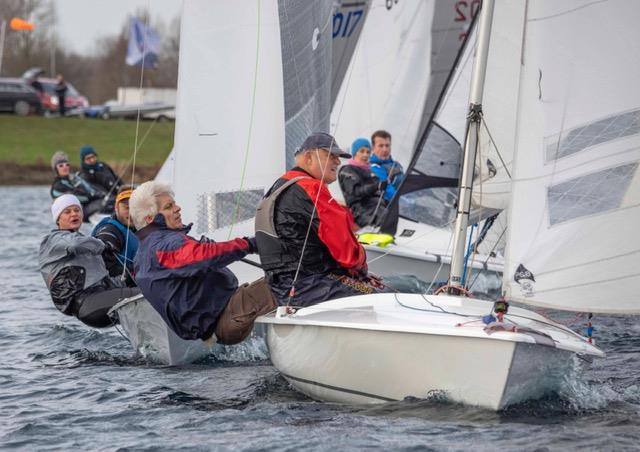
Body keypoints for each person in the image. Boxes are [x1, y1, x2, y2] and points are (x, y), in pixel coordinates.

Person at [130, 181, 276, 344]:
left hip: (216, 326)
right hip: (227, 316)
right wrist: (250, 244)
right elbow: (201, 256)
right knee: (289, 279)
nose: (178, 208)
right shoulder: (163, 246)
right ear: (150, 219)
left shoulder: (143, 254)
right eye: (169, 206)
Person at [255, 132, 387, 307]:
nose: (338, 162)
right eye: (331, 156)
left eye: (338, 157)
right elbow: (348, 252)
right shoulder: (311, 188)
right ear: (309, 157)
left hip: (283, 289)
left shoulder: (279, 186)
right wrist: (362, 272)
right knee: (386, 297)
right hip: (312, 287)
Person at [38, 195, 140, 328]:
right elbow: (74, 244)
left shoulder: (85, 245)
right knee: (150, 296)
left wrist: (127, 278)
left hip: (99, 302)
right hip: (88, 304)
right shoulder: (53, 239)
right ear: (58, 219)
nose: (74, 214)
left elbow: (104, 281)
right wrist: (103, 245)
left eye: (77, 210)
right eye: (67, 212)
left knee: (149, 290)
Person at [92, 185, 138, 287]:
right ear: (116, 208)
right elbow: (101, 270)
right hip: (117, 294)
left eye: (135, 207)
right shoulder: (109, 233)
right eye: (126, 207)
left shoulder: (139, 229)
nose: (131, 213)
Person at [338, 137, 388, 229]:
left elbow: (378, 193)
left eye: (368, 152)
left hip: (378, 210)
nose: (365, 155)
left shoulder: (370, 172)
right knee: (384, 223)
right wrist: (377, 185)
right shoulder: (347, 170)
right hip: (361, 211)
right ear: (355, 153)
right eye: (362, 151)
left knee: (391, 220)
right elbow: (356, 192)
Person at [50, 151, 107, 222]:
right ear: (56, 169)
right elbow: (75, 199)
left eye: (67, 165)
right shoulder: (57, 187)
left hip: (86, 207)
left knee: (109, 199)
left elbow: (89, 188)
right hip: (77, 213)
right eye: (61, 165)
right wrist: (93, 196)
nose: (65, 167)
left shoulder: (74, 178)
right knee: (105, 202)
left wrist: (99, 193)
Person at [369, 130, 404, 235]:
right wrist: (405, 201)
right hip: (382, 216)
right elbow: (388, 191)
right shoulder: (373, 167)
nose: (385, 149)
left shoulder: (397, 166)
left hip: (401, 213)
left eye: (387, 145)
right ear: (373, 148)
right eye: (380, 146)